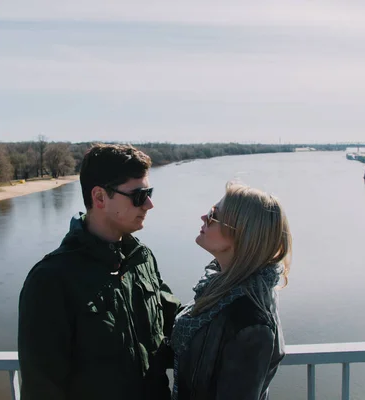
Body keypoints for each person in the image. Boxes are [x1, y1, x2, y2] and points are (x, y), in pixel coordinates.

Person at [18, 143, 180, 400]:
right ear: (100, 197)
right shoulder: (51, 280)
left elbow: (177, 327)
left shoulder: (142, 259)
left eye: (150, 193)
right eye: (139, 195)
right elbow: (42, 387)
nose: (149, 204)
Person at [170, 182, 292, 400]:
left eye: (213, 215)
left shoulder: (250, 321)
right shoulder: (220, 288)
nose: (203, 218)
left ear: (241, 233)